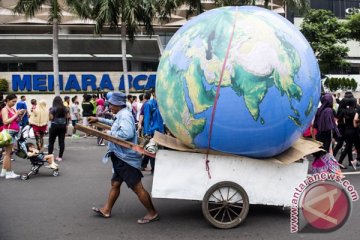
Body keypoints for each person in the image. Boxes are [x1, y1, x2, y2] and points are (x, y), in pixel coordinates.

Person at [88, 92, 159, 223]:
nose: (109, 106)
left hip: (125, 158)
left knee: (137, 187)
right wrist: (99, 120)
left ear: (117, 104)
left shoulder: (125, 115)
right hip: (119, 156)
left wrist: (109, 133)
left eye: (111, 104)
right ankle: (107, 209)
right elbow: (114, 123)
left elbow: (127, 133)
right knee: (115, 184)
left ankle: (152, 212)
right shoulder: (121, 114)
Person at [0, 94, 25, 179]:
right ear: (7, 100)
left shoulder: (12, 109)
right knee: (8, 154)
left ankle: (4, 171)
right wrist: (16, 114)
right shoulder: (4, 109)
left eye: (15, 101)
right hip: (8, 132)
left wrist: (19, 115)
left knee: (8, 153)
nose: (14, 103)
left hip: (13, 132)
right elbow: (5, 122)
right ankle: (9, 172)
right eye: (13, 101)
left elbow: (15, 121)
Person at [48, 96, 68, 162]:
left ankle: (50, 156)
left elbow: (50, 118)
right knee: (61, 141)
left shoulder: (53, 108)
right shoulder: (65, 108)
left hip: (54, 125)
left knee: (51, 141)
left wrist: (49, 113)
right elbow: (68, 117)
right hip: (63, 125)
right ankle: (60, 157)